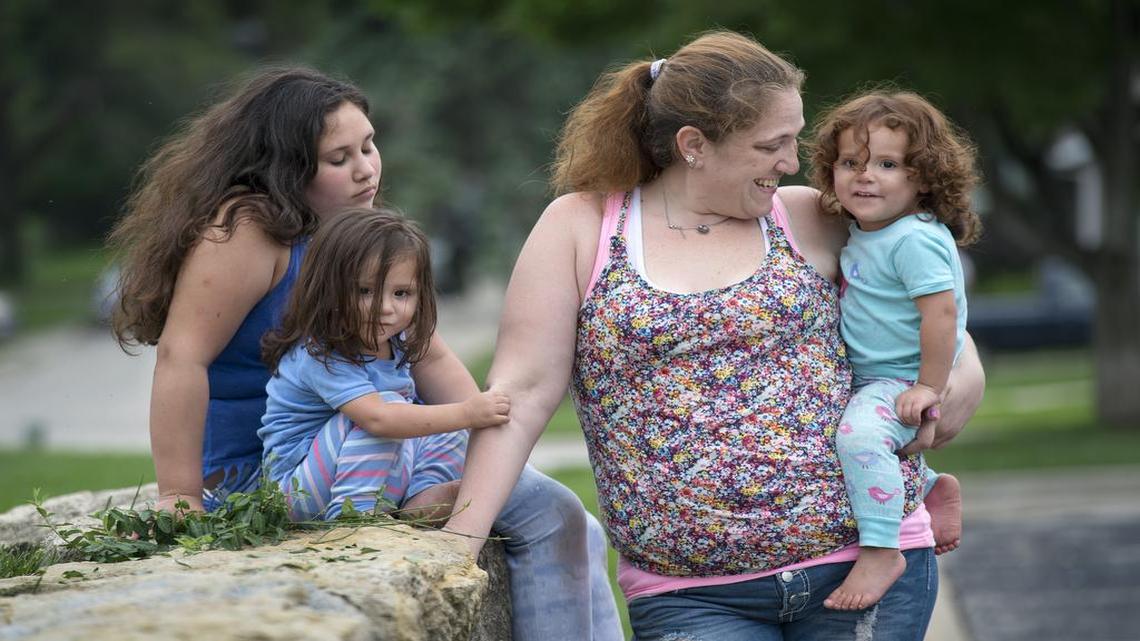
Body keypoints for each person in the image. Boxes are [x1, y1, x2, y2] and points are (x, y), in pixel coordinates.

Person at [444, 31, 985, 639]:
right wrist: (459, 541)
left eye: (794, 139)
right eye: (771, 145)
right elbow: (520, 393)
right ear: (694, 145)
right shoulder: (582, 227)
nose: (791, 162)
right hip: (690, 598)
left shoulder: (810, 216)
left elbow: (933, 320)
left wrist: (948, 393)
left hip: (862, 567)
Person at [108, 66, 621, 640]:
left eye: (369, 145)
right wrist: (179, 497)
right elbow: (183, 357)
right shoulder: (247, 230)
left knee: (573, 521)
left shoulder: (351, 231)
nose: (366, 168)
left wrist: (493, 444)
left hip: (369, 447)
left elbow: (425, 355)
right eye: (339, 158)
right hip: (278, 474)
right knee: (549, 514)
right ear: (287, 167)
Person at [807, 90, 981, 611]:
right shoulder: (867, 232)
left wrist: (927, 387)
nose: (865, 175)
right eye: (850, 163)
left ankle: (882, 550)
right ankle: (927, 487)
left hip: (902, 378)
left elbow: (942, 314)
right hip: (872, 375)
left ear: (923, 177)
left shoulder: (912, 238)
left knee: (859, 436)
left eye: (887, 164)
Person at [259, 209, 509, 521]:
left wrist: (467, 418)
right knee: (392, 410)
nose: (385, 308)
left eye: (401, 293)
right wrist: (467, 412)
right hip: (297, 492)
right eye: (365, 291)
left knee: (446, 429)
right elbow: (379, 419)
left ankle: (421, 498)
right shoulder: (319, 353)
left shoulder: (397, 342)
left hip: (364, 474)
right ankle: (351, 520)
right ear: (327, 289)